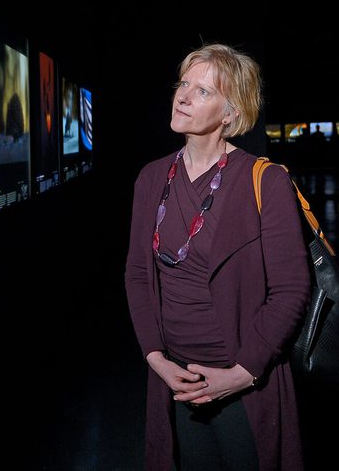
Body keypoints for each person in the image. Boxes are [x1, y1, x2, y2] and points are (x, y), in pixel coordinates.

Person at [125, 43, 311, 471]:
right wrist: (155, 358)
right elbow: (137, 273)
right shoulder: (151, 178)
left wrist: (242, 373)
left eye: (203, 91)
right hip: (173, 383)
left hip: (244, 386)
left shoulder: (266, 181)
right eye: (183, 84)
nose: (183, 96)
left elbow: (291, 289)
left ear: (230, 114)